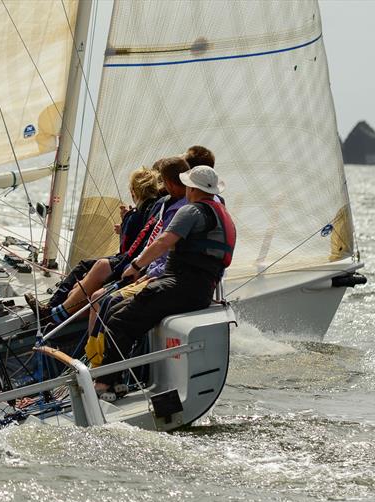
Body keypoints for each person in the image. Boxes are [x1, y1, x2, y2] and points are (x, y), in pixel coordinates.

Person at [94, 165, 236, 399]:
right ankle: (117, 380)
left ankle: (104, 384)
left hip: (180, 285)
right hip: (199, 290)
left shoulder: (191, 212)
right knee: (116, 311)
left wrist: (136, 267)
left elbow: (163, 242)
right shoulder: (221, 214)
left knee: (119, 320)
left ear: (192, 188)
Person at [34, 157, 190, 325]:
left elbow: (152, 243)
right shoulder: (164, 205)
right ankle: (58, 312)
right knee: (85, 283)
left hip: (144, 267)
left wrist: (137, 265)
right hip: (143, 264)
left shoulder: (171, 209)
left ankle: (55, 313)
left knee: (94, 280)